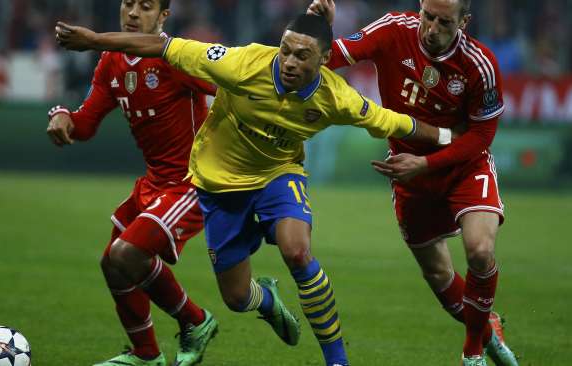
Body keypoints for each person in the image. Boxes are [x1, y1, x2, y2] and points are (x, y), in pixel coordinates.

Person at [54, 13, 456, 366]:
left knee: (297, 251)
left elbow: (393, 122)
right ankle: (266, 300)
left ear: (324, 59)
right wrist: (93, 42)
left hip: (277, 175)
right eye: (285, 51)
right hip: (218, 185)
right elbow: (164, 46)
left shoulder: (338, 98)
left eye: (302, 55)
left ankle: (337, 360)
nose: (290, 62)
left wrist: (446, 136)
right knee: (235, 297)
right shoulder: (241, 63)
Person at [307, 0, 519, 365]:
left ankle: (472, 353)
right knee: (439, 274)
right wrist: (322, 32)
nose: (431, 28)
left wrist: (428, 162)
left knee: (480, 251)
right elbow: (333, 57)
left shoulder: (479, 64)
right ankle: (488, 330)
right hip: (408, 170)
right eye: (428, 17)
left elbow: (481, 135)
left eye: (444, 22)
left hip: (462, 166)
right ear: (419, 7)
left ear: (464, 22)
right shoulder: (393, 29)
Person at [46, 1, 218, 365]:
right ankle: (146, 355)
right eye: (128, 3)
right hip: (155, 183)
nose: (133, 13)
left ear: (163, 16)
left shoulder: (178, 57)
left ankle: (196, 320)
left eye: (146, 6)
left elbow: (229, 86)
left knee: (127, 254)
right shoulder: (112, 61)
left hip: (192, 183)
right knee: (112, 263)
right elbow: (86, 122)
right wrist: (63, 116)